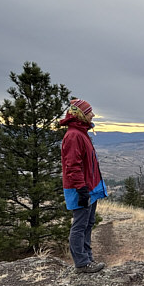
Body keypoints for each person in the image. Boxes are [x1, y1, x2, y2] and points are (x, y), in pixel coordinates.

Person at [60, 97, 108, 273]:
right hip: (81, 188)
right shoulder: (74, 135)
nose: (93, 115)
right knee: (80, 225)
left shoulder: (80, 132)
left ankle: (87, 258)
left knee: (88, 222)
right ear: (81, 114)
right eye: (89, 113)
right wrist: (81, 189)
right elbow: (72, 165)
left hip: (90, 187)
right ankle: (81, 263)